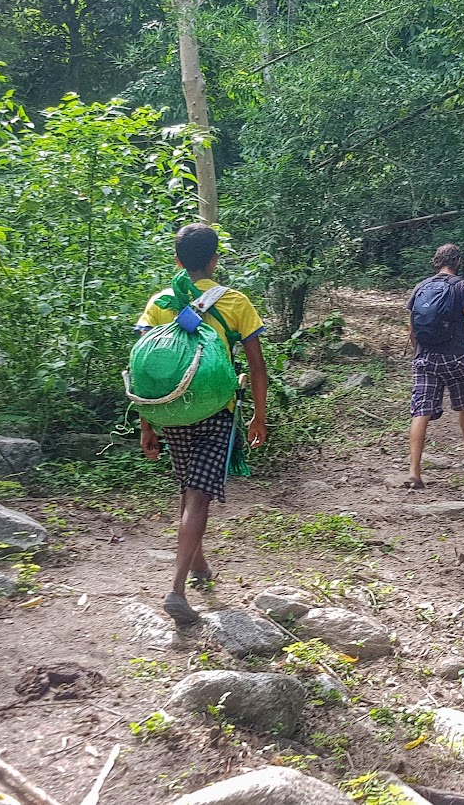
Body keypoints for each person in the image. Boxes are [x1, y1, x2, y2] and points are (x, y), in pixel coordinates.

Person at [135, 223, 269, 625]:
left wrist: (148, 425)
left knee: (189, 485)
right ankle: (176, 588)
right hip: (216, 410)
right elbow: (257, 368)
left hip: (172, 409)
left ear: (177, 260)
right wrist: (259, 416)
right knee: (198, 496)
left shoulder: (160, 302)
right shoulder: (235, 303)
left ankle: (199, 566)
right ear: (214, 259)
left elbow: (144, 370)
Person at [405, 243, 464, 489]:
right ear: (457, 261)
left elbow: (412, 328)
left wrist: (419, 355)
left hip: (425, 358)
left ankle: (414, 470)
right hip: (456, 357)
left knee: (420, 410)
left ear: (436, 261)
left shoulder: (420, 287)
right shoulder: (463, 286)